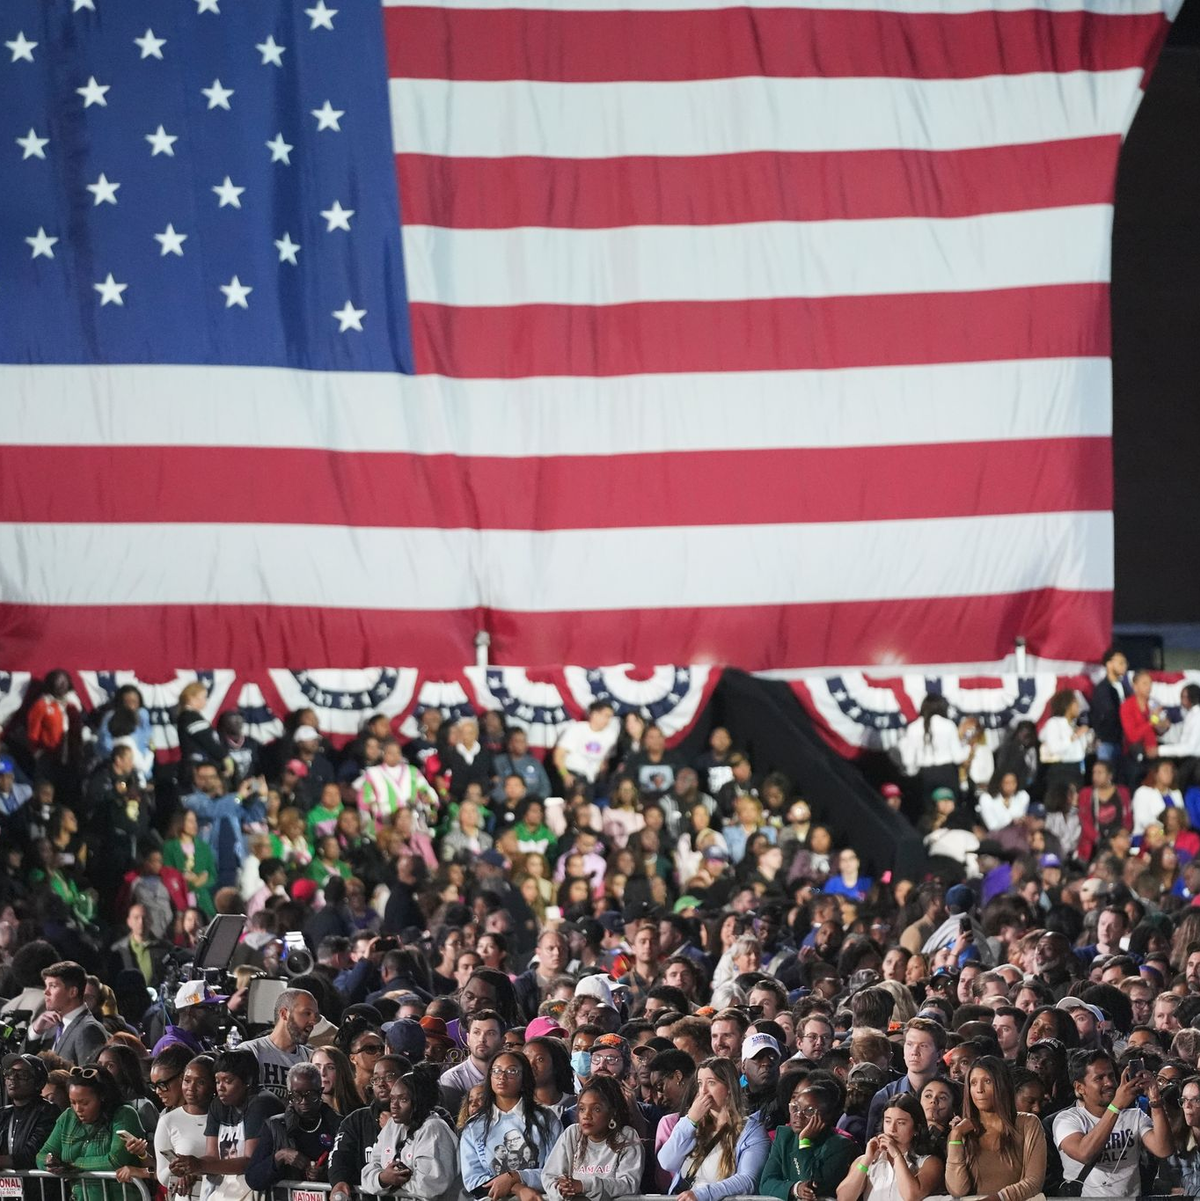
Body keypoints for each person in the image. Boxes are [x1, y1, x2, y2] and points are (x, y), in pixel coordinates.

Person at [1052, 1049, 1173, 1195]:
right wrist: (1115, 1106)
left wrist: (1155, 1100)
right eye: (1099, 1078)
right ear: (1080, 1087)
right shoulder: (1067, 1119)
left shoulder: (1135, 1117)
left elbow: (1164, 1149)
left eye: (1111, 1076)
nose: (1109, 1082)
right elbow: (1084, 1154)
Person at [169, 1048, 284, 1201]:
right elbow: (212, 1156)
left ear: (248, 1081)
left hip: (256, 1190)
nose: (220, 1088)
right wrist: (190, 1167)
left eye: (228, 1081)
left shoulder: (261, 1103)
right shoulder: (218, 1104)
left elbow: (249, 1162)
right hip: (227, 1189)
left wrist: (201, 1165)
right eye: (217, 1081)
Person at [660, 1056, 770, 1201]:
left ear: (729, 1088)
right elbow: (666, 1162)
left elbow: (747, 1180)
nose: (703, 1091)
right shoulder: (692, 1126)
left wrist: (702, 1194)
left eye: (711, 1083)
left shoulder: (751, 1131)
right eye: (700, 1084)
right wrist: (689, 1121)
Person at [458, 1050, 562, 1200]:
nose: (502, 1076)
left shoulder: (546, 1119)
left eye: (511, 1071)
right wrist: (516, 1187)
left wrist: (519, 1176)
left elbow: (556, 1171)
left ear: (524, 1078)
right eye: (496, 1070)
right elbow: (473, 1181)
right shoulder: (474, 1126)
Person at [36, 1063, 146, 1201]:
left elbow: (115, 1160)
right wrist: (49, 1162)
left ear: (102, 1096)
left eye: (84, 1103)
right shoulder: (68, 1117)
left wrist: (72, 1165)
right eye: (73, 1102)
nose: (78, 1109)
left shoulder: (124, 1115)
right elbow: (41, 1155)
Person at [945, 1056, 1046, 1201]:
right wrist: (955, 1137)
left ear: (1002, 1085)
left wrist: (998, 1199)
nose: (979, 1090)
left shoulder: (1028, 1124)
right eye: (973, 1083)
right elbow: (958, 1190)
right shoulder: (961, 1131)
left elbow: (1034, 1182)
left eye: (987, 1082)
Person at [362, 1069, 461, 1201]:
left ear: (419, 1101)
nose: (394, 1106)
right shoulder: (392, 1125)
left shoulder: (434, 1129)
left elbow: (431, 1186)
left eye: (403, 1099)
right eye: (392, 1099)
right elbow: (368, 1171)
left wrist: (394, 1180)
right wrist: (382, 1179)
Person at [542, 1075, 643, 1201]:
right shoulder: (572, 1133)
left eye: (596, 1109)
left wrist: (584, 1186)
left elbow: (628, 1184)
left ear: (613, 1112)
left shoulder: (626, 1136)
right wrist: (562, 1190)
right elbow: (550, 1176)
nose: (586, 1116)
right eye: (582, 1109)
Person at [245, 1062, 341, 1189]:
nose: (303, 1101)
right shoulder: (275, 1126)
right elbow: (253, 1179)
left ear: (320, 1091)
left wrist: (326, 1173)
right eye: (296, 1095)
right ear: (289, 1094)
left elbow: (352, 1169)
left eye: (311, 1095)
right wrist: (280, 1156)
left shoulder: (338, 1124)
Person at [329, 1054, 410, 1201]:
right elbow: (340, 1156)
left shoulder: (430, 1118)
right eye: (376, 1078)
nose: (381, 1084)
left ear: (407, 1079)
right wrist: (339, 1181)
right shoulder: (356, 1120)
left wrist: (398, 1128)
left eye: (389, 1076)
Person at [836, 1092, 942, 1201]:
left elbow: (911, 1196)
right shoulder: (866, 1161)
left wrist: (897, 1156)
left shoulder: (929, 1163)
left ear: (916, 1128)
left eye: (901, 1123)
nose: (892, 1129)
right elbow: (843, 1198)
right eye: (887, 1121)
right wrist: (866, 1160)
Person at [154, 1054, 217, 1201]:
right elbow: (162, 1176)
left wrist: (197, 1169)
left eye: (200, 1082)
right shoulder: (168, 1121)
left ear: (214, 1084)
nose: (191, 1088)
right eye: (187, 1081)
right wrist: (175, 1172)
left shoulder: (226, 1118)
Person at [24, 960, 108, 1065]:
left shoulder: (88, 1030)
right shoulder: (53, 1025)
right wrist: (36, 1031)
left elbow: (88, 1078)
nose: (46, 992)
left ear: (72, 992)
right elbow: (25, 1064)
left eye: (53, 986)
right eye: (46, 986)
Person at [237, 987, 317, 1098]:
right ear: (284, 1014)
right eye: (307, 1013)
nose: (313, 1021)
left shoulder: (312, 1058)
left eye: (315, 1016)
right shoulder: (250, 1051)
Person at [440, 1007, 505, 1115]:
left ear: (503, 1041)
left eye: (490, 1033)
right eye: (476, 1032)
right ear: (468, 1039)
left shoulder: (508, 1075)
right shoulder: (453, 1079)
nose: (482, 1039)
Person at [0, 1052, 58, 1169]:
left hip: (37, 1185)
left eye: (22, 1074)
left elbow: (32, 1155)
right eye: (9, 1073)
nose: (13, 1078)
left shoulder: (48, 1112)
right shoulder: (3, 1114)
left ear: (38, 1082)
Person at [313, 1045, 363, 1115]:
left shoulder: (359, 1112)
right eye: (317, 1067)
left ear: (342, 1071)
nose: (322, 1073)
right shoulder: (305, 1113)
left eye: (330, 1067)